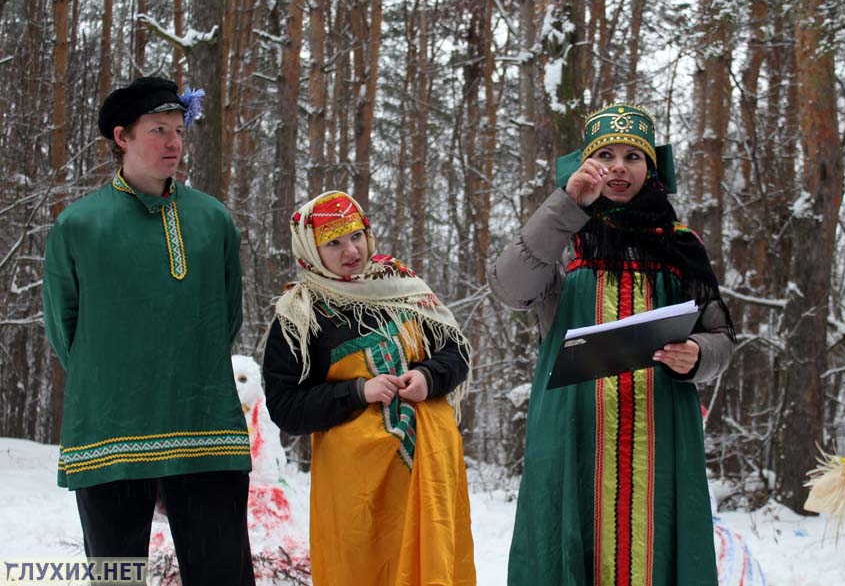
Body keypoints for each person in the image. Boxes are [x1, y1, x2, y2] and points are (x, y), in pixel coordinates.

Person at [490, 103, 736, 586]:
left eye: (633, 156)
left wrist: (699, 356)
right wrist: (566, 204)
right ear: (587, 165)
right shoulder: (566, 236)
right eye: (605, 154)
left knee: (655, 550)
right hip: (573, 429)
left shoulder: (682, 245)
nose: (619, 166)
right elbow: (509, 286)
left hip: (661, 433)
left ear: (652, 170)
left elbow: (721, 336)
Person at [42, 77, 254, 585]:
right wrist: (119, 376)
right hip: (111, 430)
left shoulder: (212, 220)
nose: (174, 143)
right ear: (122, 137)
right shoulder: (79, 226)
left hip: (203, 425)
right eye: (159, 130)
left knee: (223, 574)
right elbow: (63, 328)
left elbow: (225, 316)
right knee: (118, 576)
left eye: (179, 131)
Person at [261, 190, 476, 586]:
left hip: (427, 471)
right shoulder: (300, 315)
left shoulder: (400, 285)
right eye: (334, 243)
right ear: (311, 248)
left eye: (356, 236)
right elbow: (285, 407)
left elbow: (456, 351)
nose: (351, 251)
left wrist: (428, 376)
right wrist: (358, 392)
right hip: (358, 491)